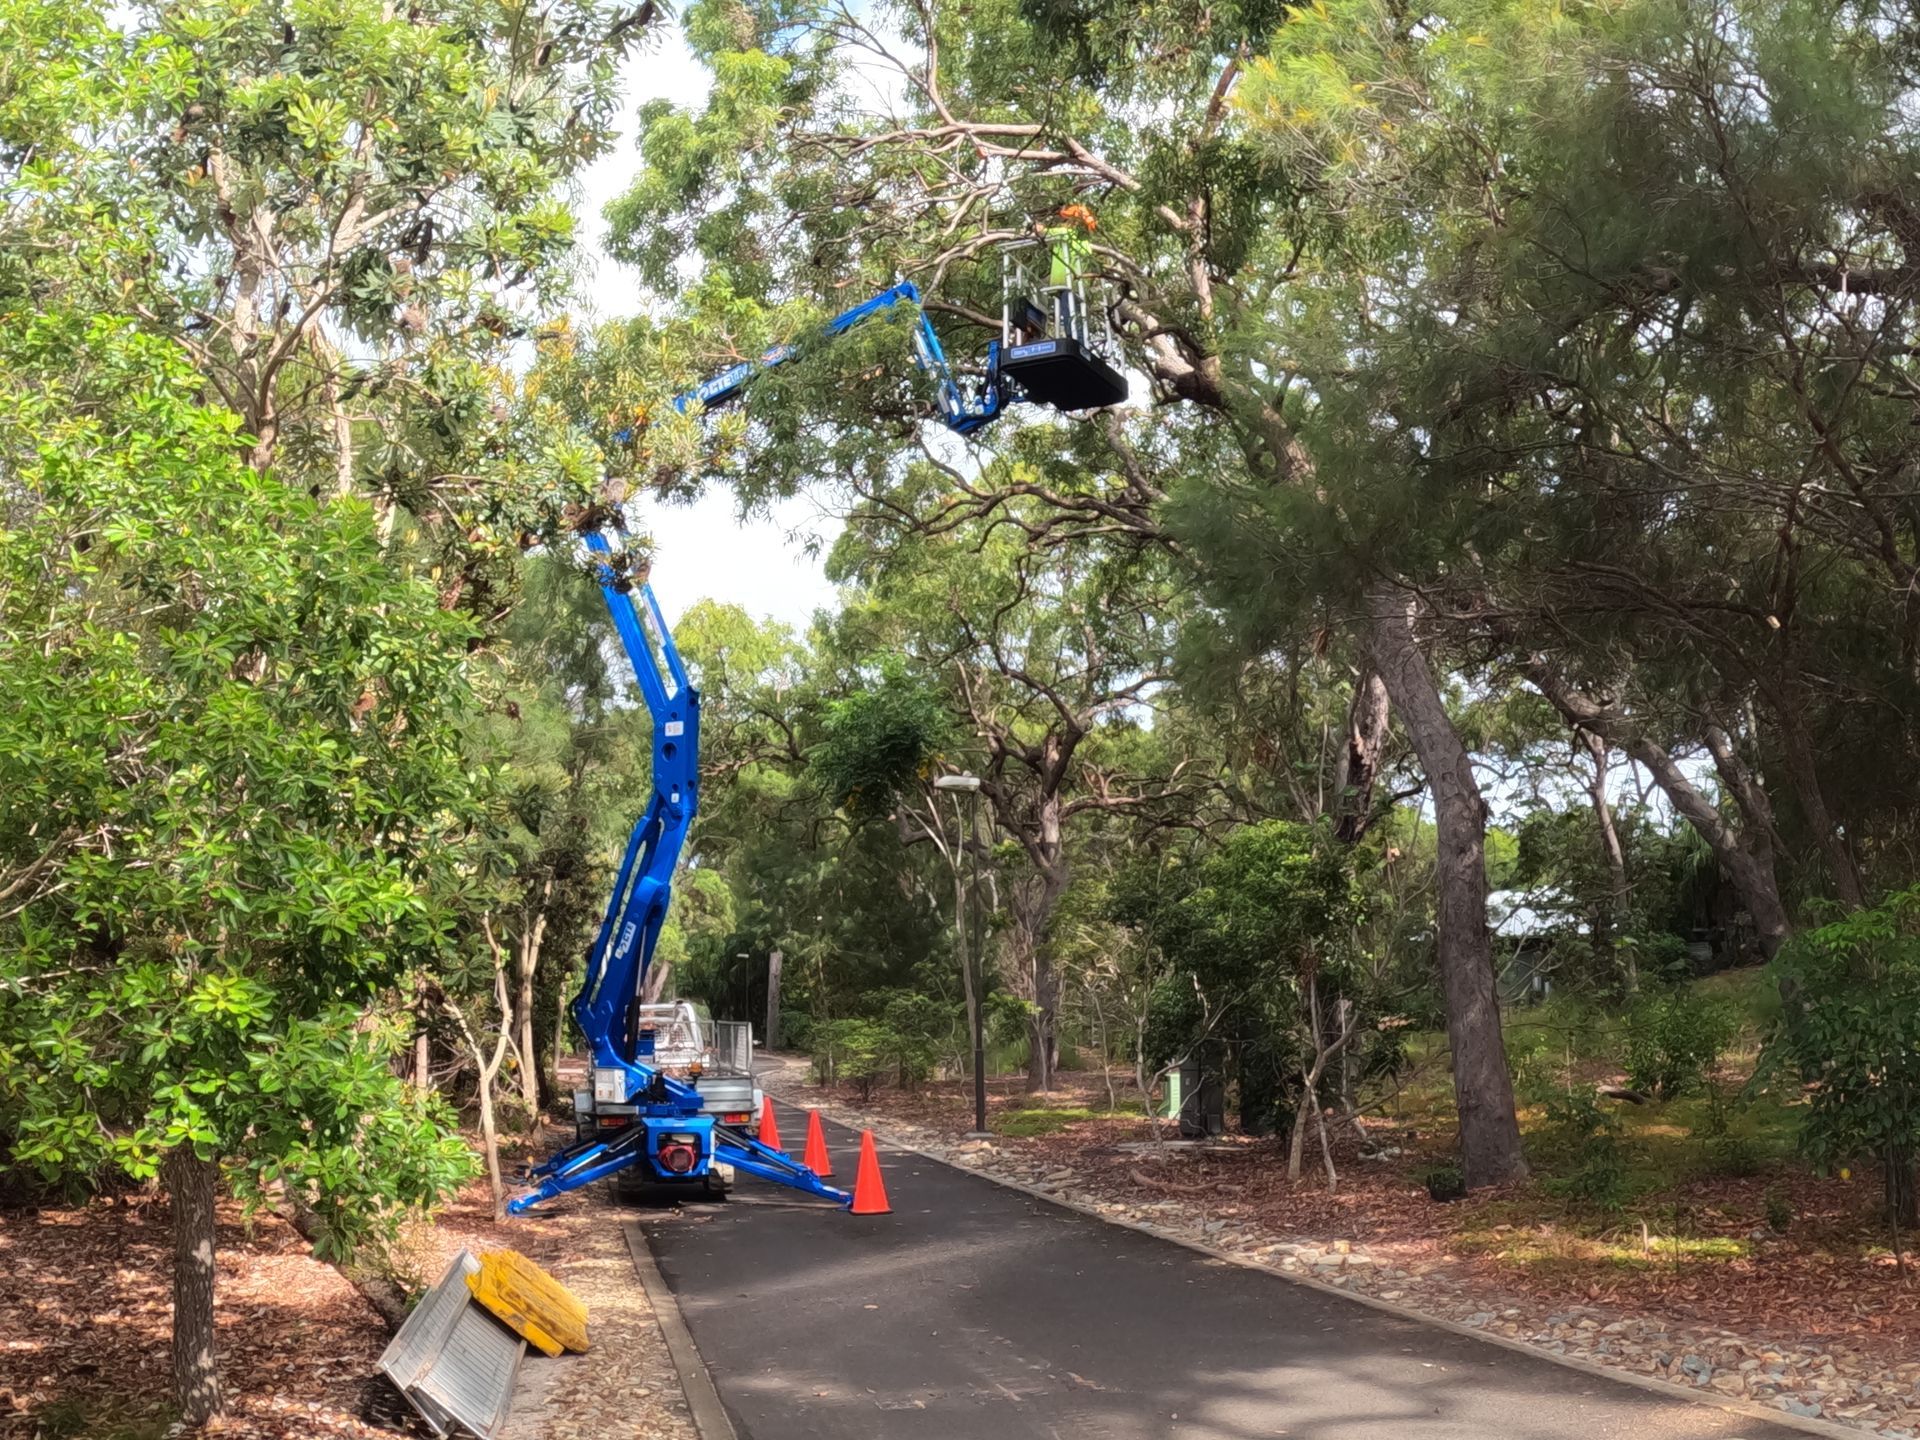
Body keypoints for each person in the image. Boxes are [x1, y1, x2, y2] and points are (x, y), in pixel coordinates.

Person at [1042, 203, 1098, 340]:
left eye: (1066, 220)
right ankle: (1078, 342)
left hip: (1068, 285)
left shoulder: (1066, 233)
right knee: (1076, 318)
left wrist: (1035, 227)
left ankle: (1074, 342)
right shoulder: (1083, 243)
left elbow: (1043, 232)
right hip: (1076, 287)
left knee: (1071, 319)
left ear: (1073, 222)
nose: (1063, 223)